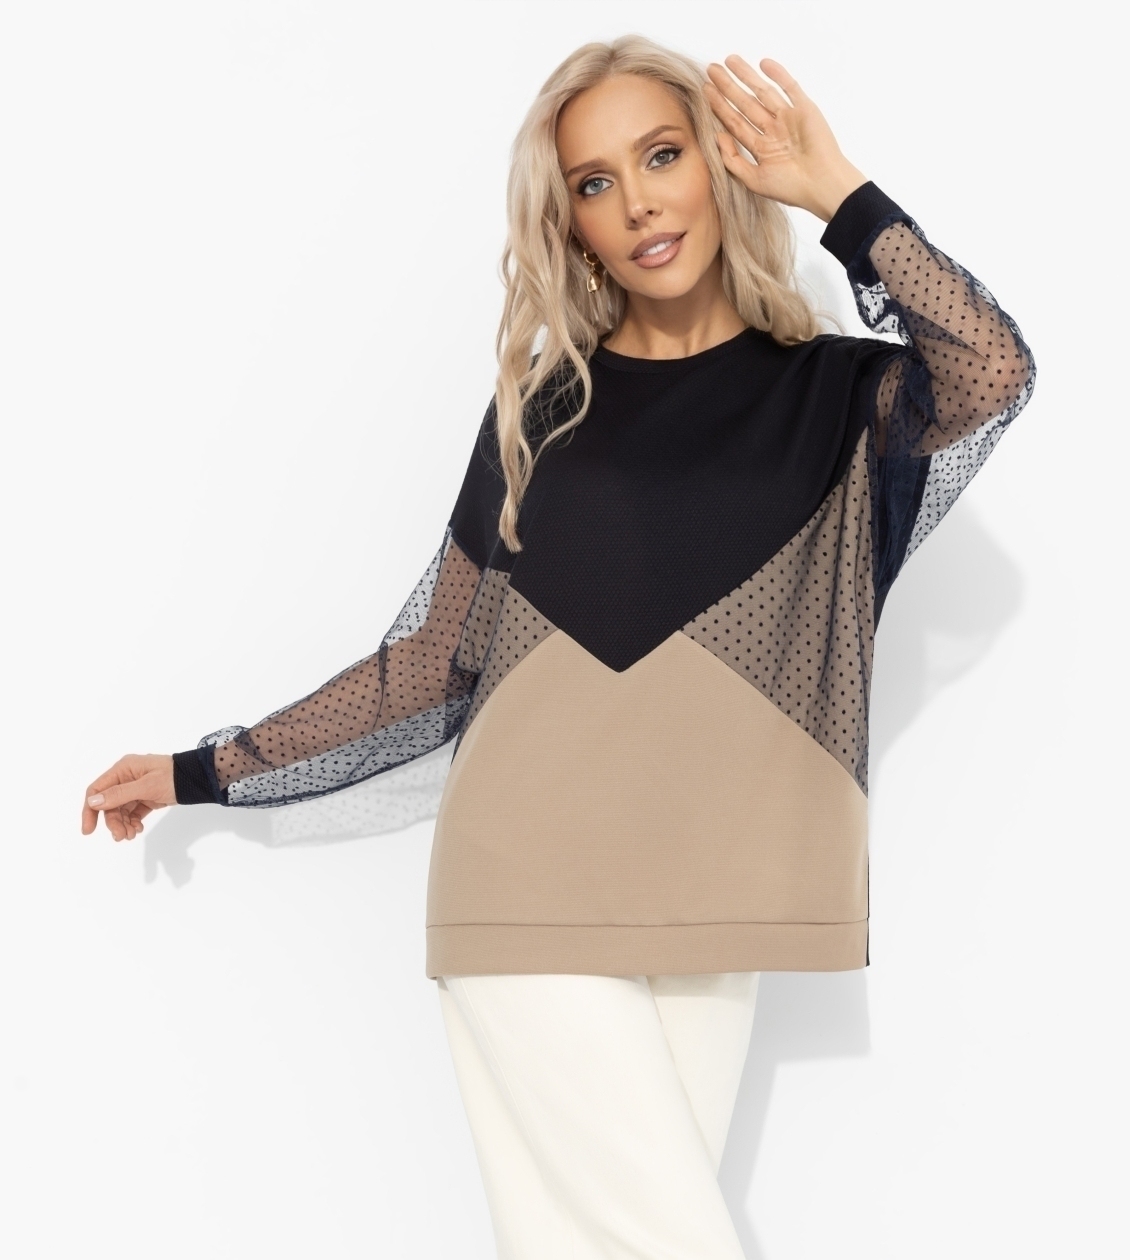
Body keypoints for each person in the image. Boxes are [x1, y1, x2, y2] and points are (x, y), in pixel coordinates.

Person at [81, 35, 1035, 1260]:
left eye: (662, 155)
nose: (637, 202)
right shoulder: (541, 408)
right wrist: (201, 769)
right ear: (570, 224)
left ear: (718, 167)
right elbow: (431, 663)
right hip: (522, 878)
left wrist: (837, 193)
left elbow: (992, 369)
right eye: (594, 181)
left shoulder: (841, 399)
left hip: (728, 888)